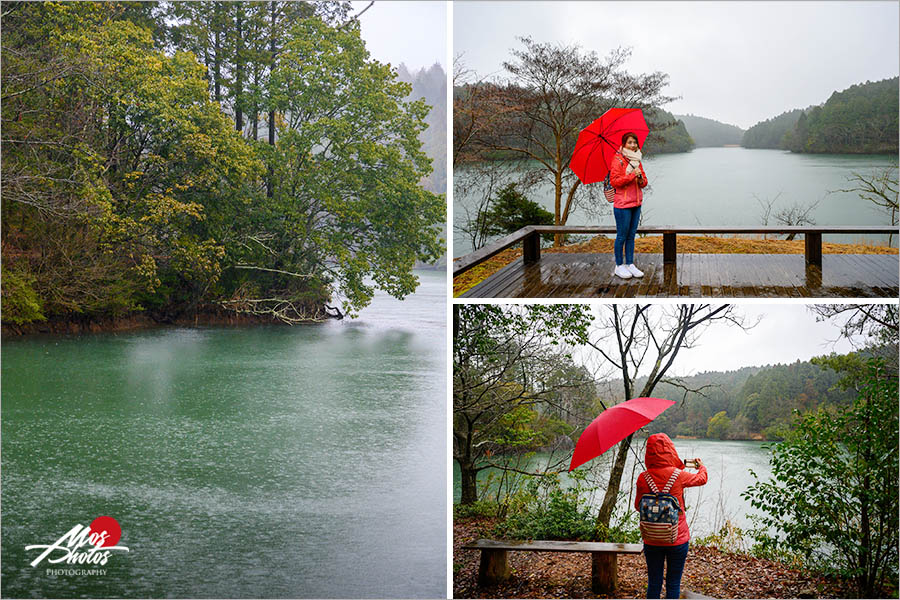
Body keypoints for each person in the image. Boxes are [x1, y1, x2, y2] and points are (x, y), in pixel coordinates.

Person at [634, 433, 707, 599]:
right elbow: (702, 479)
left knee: (654, 582)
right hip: (677, 538)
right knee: (673, 583)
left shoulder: (643, 478)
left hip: (651, 539)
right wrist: (700, 466)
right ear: (670, 451)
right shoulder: (679, 475)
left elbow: (638, 506)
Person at [609, 132, 649, 279]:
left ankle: (630, 264)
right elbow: (615, 182)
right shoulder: (618, 160)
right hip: (622, 205)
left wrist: (639, 178)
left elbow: (644, 183)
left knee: (631, 236)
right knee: (621, 236)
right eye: (629, 142)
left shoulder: (637, 160)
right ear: (624, 144)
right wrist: (632, 175)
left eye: (634, 142)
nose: (633, 145)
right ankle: (619, 265)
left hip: (636, 203)